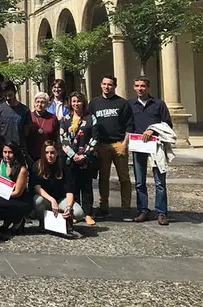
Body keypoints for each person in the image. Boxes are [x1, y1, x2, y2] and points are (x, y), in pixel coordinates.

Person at [88, 75, 134, 221]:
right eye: (104, 84)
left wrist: (125, 144)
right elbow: (90, 123)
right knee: (103, 178)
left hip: (118, 144)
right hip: (102, 144)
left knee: (124, 178)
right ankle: (103, 207)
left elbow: (129, 124)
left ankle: (126, 208)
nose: (107, 87)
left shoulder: (122, 103)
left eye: (110, 84)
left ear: (115, 86)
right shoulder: (94, 103)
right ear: (101, 85)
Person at [128, 76, 172, 226]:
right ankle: (143, 210)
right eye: (137, 86)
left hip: (156, 146)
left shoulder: (159, 104)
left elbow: (167, 124)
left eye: (143, 86)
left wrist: (153, 130)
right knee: (140, 181)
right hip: (138, 146)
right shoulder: (131, 104)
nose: (140, 89)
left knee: (160, 182)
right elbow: (128, 124)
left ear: (148, 87)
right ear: (134, 87)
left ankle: (161, 213)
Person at [32, 140, 85, 238]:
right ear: (43, 153)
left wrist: (68, 206)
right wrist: (52, 200)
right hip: (46, 200)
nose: (49, 155)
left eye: (52, 152)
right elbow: (37, 187)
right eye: (47, 152)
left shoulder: (64, 165)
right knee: (37, 200)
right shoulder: (37, 165)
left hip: (61, 198)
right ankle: (43, 224)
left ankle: (65, 221)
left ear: (57, 153)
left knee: (79, 213)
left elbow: (70, 189)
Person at [60, 91, 99, 226]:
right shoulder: (65, 119)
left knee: (86, 187)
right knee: (73, 186)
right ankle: (75, 213)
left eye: (79, 101)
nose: (76, 104)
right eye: (74, 101)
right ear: (70, 103)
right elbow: (63, 139)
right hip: (71, 159)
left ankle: (88, 213)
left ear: (83, 102)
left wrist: (85, 155)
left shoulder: (91, 118)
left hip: (86, 159)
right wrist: (73, 155)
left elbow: (95, 138)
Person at [0, 142, 31, 235]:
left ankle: (17, 219)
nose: (7, 155)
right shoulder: (2, 163)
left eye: (10, 152)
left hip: (19, 199)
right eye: (5, 152)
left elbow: (18, 193)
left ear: (15, 153)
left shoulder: (22, 169)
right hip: (4, 195)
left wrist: (0, 194)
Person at [0, 81, 31, 157]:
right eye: (4, 93)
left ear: (14, 91)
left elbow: (26, 132)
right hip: (3, 150)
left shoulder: (24, 110)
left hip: (19, 149)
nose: (7, 96)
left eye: (9, 93)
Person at [26, 92, 59, 162]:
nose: (39, 105)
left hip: (48, 156)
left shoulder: (53, 118)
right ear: (34, 103)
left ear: (47, 104)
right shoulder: (28, 116)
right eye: (37, 102)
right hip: (31, 156)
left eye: (42, 102)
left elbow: (56, 137)